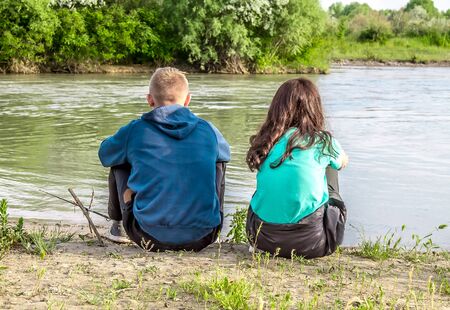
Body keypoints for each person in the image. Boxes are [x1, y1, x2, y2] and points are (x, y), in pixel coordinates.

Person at [98, 67, 230, 251]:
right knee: (219, 160)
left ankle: (117, 227)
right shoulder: (209, 130)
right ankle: (211, 216)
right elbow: (227, 154)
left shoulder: (135, 130)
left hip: (147, 234)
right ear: (188, 100)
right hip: (204, 236)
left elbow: (105, 155)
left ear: (150, 99)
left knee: (118, 160)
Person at [245, 78, 348, 259]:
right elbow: (343, 162)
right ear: (314, 108)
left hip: (262, 239)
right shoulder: (323, 141)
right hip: (311, 244)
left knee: (272, 180)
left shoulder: (265, 141)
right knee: (331, 167)